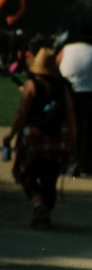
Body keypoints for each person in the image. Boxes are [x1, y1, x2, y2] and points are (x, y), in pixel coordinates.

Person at [2, 47, 75, 226]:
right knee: (50, 178)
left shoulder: (31, 85)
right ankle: (46, 212)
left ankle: (37, 202)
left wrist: (10, 136)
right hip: (58, 139)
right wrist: (72, 141)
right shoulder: (63, 87)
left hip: (35, 138)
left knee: (26, 174)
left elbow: (21, 114)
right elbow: (70, 115)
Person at [57, 22, 92, 175]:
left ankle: (72, 163)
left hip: (73, 92)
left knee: (74, 128)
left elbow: (55, 64)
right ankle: (88, 165)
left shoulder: (67, 49)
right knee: (91, 129)